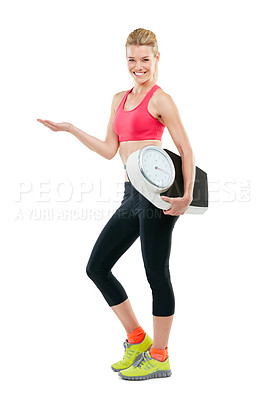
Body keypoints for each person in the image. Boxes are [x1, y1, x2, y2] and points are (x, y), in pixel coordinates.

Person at [37, 27, 195, 381]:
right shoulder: (118, 99)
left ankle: (161, 356)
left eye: (145, 60)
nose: (138, 67)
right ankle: (138, 341)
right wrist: (71, 129)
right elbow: (111, 150)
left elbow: (186, 149)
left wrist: (186, 196)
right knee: (97, 267)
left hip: (158, 197)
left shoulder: (161, 99)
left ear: (157, 58)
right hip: (130, 195)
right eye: (132, 60)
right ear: (126, 60)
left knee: (156, 274)